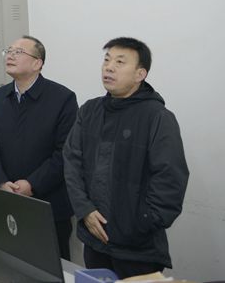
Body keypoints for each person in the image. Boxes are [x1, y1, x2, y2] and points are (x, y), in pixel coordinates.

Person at [63, 37, 189, 278]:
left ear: (140, 74)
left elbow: (170, 180)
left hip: (137, 249)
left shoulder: (158, 117)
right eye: (107, 60)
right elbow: (72, 162)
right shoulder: (89, 111)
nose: (109, 67)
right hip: (95, 239)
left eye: (120, 62)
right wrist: (85, 210)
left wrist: (138, 226)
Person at [0, 36, 78, 260]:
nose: (10, 55)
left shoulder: (62, 98)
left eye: (18, 52)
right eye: (9, 51)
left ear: (37, 63)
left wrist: (32, 184)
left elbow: (64, 153)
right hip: (8, 200)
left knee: (50, 267)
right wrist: (1, 182)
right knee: (11, 264)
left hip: (49, 205)